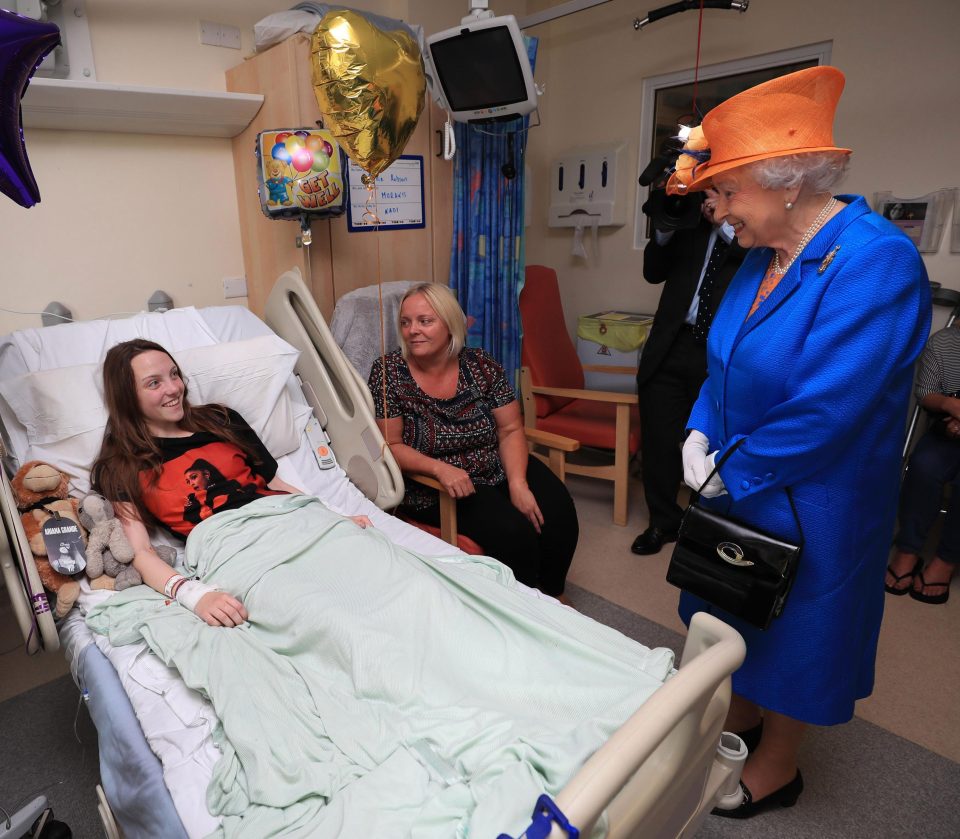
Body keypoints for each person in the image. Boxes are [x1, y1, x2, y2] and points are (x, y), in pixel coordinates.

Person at [663, 66, 931, 817]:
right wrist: (701, 426)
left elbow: (827, 406)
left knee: (798, 632)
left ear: (783, 182)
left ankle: (777, 767)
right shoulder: (759, 257)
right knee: (732, 609)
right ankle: (739, 721)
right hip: (740, 474)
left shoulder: (878, 261)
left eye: (724, 194)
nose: (718, 214)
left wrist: (728, 467)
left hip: (819, 498)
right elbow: (725, 359)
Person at [90, 338, 371, 626]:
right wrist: (194, 595)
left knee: (378, 574)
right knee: (321, 615)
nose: (173, 388)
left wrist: (334, 517)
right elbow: (140, 551)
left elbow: (277, 485)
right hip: (234, 547)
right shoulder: (121, 464)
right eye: (154, 383)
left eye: (174, 374)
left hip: (291, 520)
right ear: (127, 397)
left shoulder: (221, 419)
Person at [366, 283, 578, 598]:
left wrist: (517, 482)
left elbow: (509, 429)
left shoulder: (480, 364)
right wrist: (438, 469)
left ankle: (553, 595)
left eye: (425, 321)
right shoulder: (388, 373)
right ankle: (527, 607)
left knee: (559, 512)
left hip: (494, 463)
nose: (412, 331)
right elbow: (390, 446)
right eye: (406, 322)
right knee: (513, 533)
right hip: (434, 482)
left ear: (450, 325)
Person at [631, 187, 747, 555]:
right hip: (670, 343)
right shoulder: (687, 224)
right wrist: (665, 227)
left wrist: (725, 223)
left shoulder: (748, 229)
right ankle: (662, 521)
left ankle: (705, 525)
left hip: (720, 350)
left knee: (713, 441)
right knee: (660, 441)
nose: (709, 200)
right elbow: (653, 272)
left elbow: (755, 266)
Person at [886, 322, 960, 604]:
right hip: (945, 431)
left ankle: (946, 559)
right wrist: (952, 408)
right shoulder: (943, 342)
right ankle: (908, 550)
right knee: (924, 466)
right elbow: (926, 392)